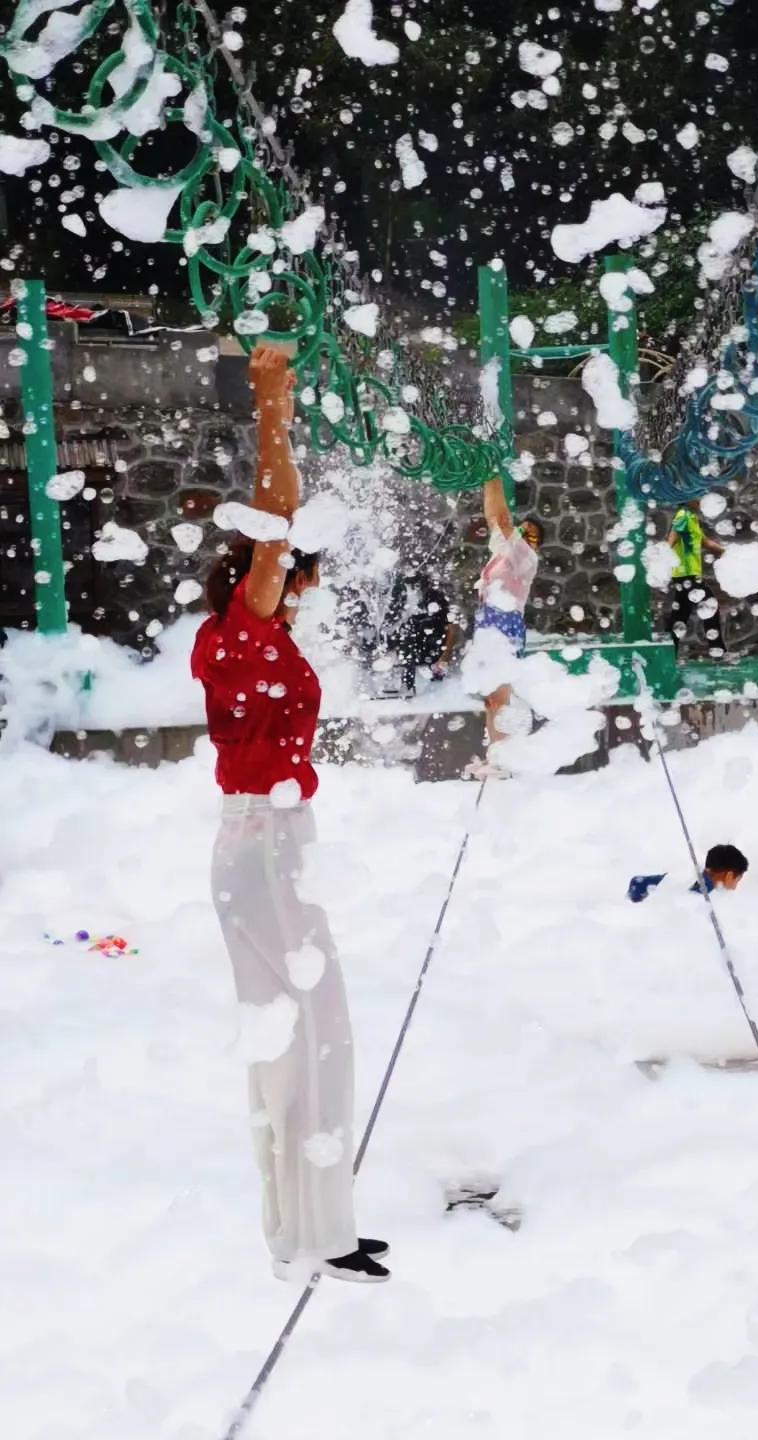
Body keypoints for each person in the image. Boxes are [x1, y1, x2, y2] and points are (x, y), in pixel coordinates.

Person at [191, 344, 389, 1285]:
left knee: (314, 1032)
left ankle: (318, 1223)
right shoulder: (241, 631)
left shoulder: (249, 639)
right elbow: (277, 516)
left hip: (271, 841)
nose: (306, 584)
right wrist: (274, 395)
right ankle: (314, 1232)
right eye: (294, 572)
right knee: (307, 1035)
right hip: (261, 845)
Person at [465, 474, 542, 775]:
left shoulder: (526, 558)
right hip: (489, 624)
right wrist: (487, 477)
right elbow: (494, 517)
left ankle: (503, 759)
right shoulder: (501, 556)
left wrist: (491, 469)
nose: (526, 534)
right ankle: (495, 755)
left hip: (505, 626)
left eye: (533, 534)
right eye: (526, 530)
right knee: (490, 699)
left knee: (500, 697)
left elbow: (503, 520)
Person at [666, 499, 725, 657]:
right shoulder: (683, 516)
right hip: (686, 574)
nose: (701, 500)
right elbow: (670, 541)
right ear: (688, 499)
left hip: (687, 575)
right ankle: (718, 652)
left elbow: (707, 543)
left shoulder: (691, 518)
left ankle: (666, 653)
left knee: (679, 617)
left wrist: (728, 552)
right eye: (697, 497)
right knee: (710, 606)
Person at [392, 572, 461, 696]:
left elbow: (450, 625)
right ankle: (408, 682)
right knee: (407, 636)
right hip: (419, 642)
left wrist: (445, 656)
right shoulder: (398, 597)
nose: (414, 589)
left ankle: (415, 681)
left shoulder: (435, 598)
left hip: (430, 642)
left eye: (416, 586)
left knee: (413, 636)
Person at [628, 843, 749, 902]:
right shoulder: (705, 893)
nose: (735, 887)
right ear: (729, 876)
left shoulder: (687, 877)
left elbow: (638, 883)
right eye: (737, 881)